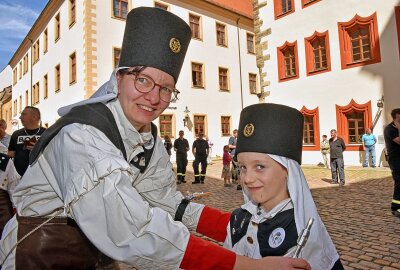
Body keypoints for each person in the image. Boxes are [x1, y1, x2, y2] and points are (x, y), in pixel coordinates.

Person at [0, 8, 311, 270]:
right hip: (39, 252)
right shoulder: (82, 136)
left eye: (166, 88)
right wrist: (245, 266)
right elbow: (132, 230)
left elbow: (166, 202)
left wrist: (234, 228)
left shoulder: (148, 138)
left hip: (98, 254)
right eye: (143, 80)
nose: (154, 97)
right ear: (119, 78)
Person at [223, 103, 344, 270]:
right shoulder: (238, 219)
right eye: (242, 167)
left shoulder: (299, 230)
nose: (247, 178)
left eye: (260, 166)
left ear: (288, 171)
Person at [7, 106, 46, 176]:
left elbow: (53, 155)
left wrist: (39, 150)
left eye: (24, 114)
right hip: (19, 177)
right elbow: (10, 154)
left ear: (34, 117)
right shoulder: (16, 134)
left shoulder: (46, 133)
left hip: (40, 177)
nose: (20, 117)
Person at [384, 108, 400, 218]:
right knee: (399, 182)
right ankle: (395, 208)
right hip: (395, 159)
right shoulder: (389, 129)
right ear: (395, 117)